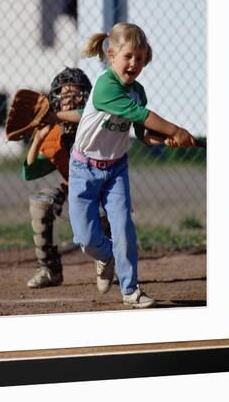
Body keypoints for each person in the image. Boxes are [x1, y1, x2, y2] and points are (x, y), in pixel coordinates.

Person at [68, 22, 196, 308]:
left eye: (139, 58)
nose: (134, 63)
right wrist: (175, 129)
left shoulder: (138, 90)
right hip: (83, 168)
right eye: (128, 57)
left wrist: (165, 140)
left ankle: (130, 290)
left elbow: (144, 133)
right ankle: (105, 256)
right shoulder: (105, 86)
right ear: (111, 55)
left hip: (115, 169)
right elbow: (142, 114)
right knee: (85, 237)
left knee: (123, 225)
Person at [22, 67, 111, 289]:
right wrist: (38, 138)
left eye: (76, 94)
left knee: (102, 211)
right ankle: (49, 269)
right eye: (64, 94)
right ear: (55, 100)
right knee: (40, 203)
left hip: (100, 188)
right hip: (73, 187)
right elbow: (29, 172)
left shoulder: (95, 124)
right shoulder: (53, 132)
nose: (70, 100)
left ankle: (107, 261)